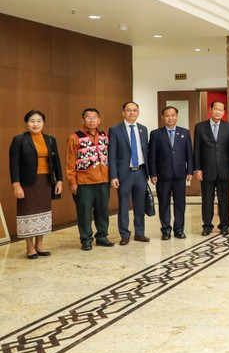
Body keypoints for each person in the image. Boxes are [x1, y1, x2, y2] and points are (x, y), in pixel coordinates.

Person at [9, 110, 63, 259]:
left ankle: (39, 245)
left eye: (39, 121)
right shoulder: (19, 140)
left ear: (43, 123)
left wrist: (59, 180)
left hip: (45, 182)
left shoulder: (50, 140)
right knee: (27, 213)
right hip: (27, 183)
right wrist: (16, 185)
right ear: (26, 123)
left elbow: (56, 161)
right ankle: (30, 247)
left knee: (43, 213)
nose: (35, 124)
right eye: (32, 121)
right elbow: (14, 164)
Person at [66, 108, 113, 251]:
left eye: (94, 118)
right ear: (83, 120)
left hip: (103, 181)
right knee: (84, 213)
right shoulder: (75, 137)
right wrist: (72, 182)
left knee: (102, 211)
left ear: (99, 120)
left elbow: (109, 157)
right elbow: (70, 162)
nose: (91, 120)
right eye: (88, 118)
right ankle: (86, 239)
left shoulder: (104, 136)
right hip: (84, 182)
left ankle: (102, 237)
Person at [149, 106, 194, 240]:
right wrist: (153, 174)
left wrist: (190, 171)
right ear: (163, 117)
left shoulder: (184, 132)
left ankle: (179, 229)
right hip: (162, 175)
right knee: (164, 203)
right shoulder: (156, 134)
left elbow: (189, 154)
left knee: (180, 203)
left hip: (180, 174)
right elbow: (152, 156)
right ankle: (166, 230)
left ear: (177, 116)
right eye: (167, 116)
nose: (170, 118)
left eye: (173, 115)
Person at [109, 101, 150, 245]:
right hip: (124, 174)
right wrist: (113, 176)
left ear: (138, 113)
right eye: (128, 110)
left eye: (134, 110)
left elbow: (146, 151)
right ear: (123, 113)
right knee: (124, 205)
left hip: (141, 172)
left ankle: (140, 233)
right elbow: (112, 154)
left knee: (140, 205)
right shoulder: (115, 130)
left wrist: (150, 173)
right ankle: (125, 234)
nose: (132, 113)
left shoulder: (143, 129)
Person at [193, 100, 229, 236]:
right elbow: (197, 149)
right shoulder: (200, 127)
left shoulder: (228, 127)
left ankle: (224, 225)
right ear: (210, 110)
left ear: (224, 112)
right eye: (216, 109)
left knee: (224, 200)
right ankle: (207, 226)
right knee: (207, 200)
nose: (218, 112)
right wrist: (197, 169)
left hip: (224, 169)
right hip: (206, 170)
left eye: (221, 110)